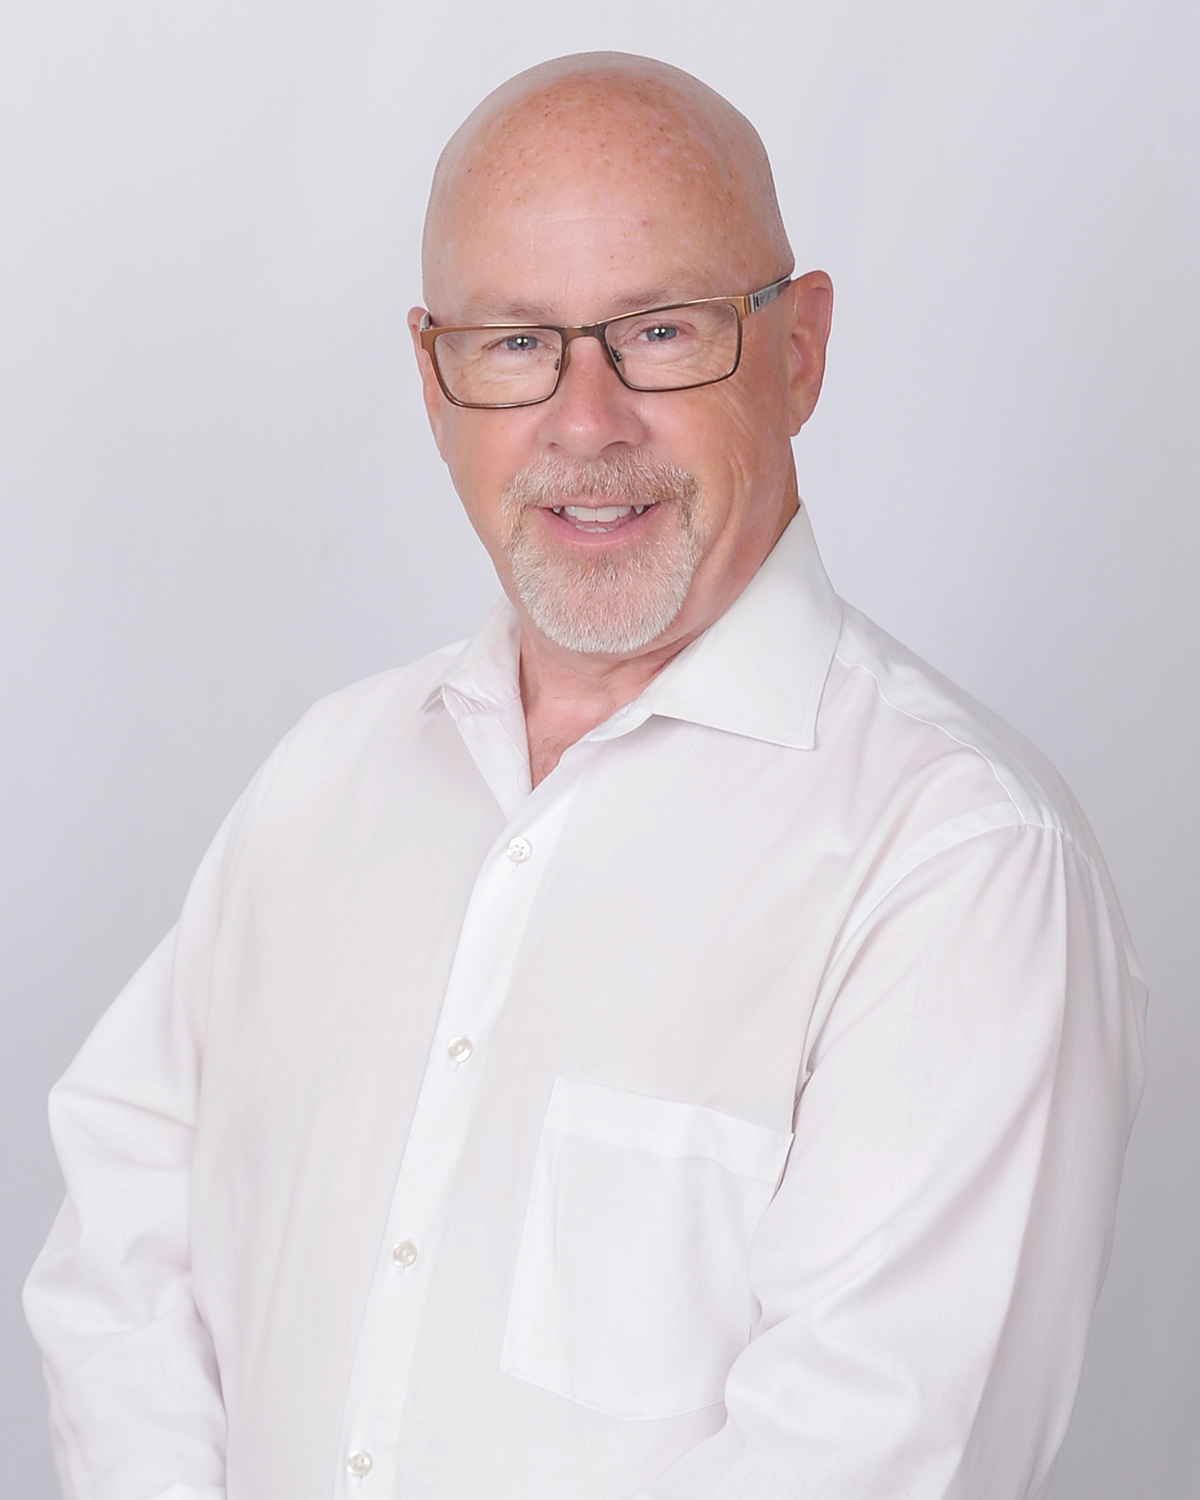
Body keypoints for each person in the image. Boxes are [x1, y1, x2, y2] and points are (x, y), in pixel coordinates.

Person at [25, 51, 1146, 1500]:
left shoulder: (957, 865)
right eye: (514, 343)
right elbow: (123, 1255)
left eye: (661, 330)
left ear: (800, 351)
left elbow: (862, 1461)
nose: (585, 421)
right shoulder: (325, 783)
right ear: (434, 381)